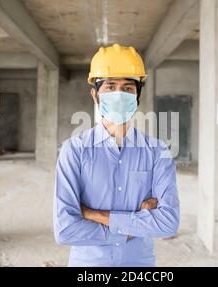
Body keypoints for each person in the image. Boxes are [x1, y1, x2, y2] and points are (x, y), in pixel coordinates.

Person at [53, 43, 180, 267]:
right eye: (110, 87)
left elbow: (168, 223)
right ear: (95, 95)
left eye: (128, 88)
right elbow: (65, 229)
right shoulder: (74, 151)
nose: (119, 95)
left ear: (137, 96)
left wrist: (92, 214)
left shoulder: (157, 152)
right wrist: (132, 227)